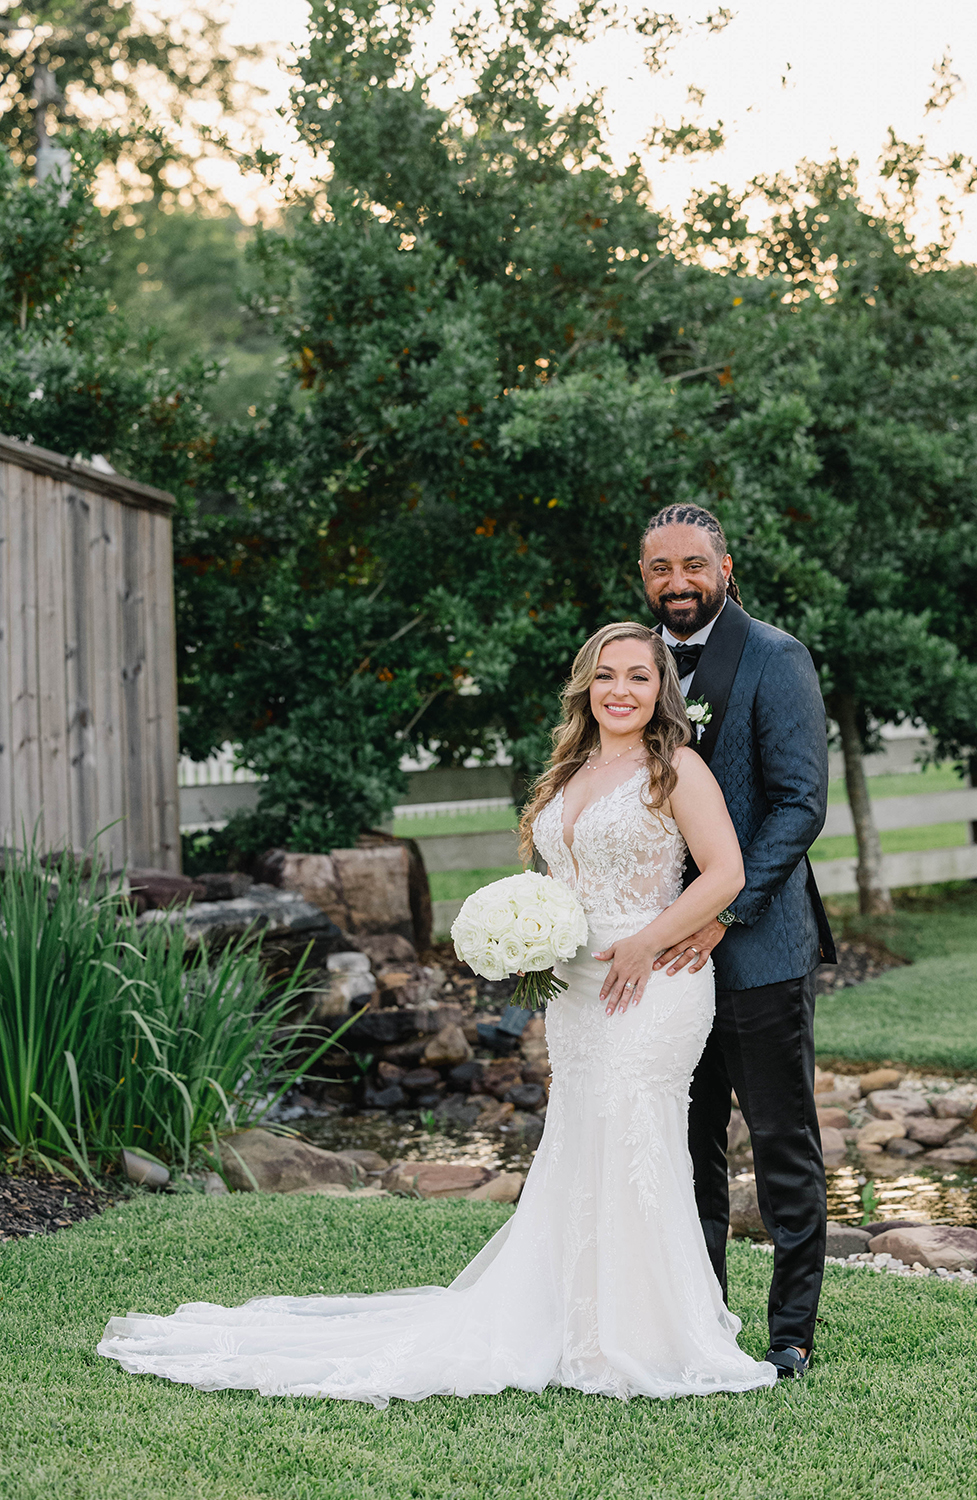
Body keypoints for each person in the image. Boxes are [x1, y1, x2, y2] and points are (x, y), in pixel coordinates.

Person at [98, 621, 777, 1404]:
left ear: (662, 689)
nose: (620, 691)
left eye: (638, 677)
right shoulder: (571, 768)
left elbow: (724, 872)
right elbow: (564, 878)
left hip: (652, 980)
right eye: (605, 676)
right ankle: (575, 1318)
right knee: (583, 1134)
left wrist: (646, 942)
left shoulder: (678, 768)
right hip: (578, 989)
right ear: (585, 686)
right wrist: (533, 938)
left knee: (637, 1134)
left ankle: (645, 1332)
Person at [638, 503, 835, 1380]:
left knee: (782, 1143)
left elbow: (800, 803)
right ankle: (703, 1317)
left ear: (726, 568)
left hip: (759, 950)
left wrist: (724, 911)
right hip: (660, 958)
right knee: (689, 1145)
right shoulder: (631, 665)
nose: (676, 582)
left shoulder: (777, 657)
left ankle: (790, 1332)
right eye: (658, 569)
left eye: (692, 565)